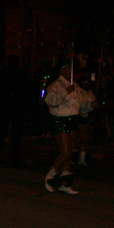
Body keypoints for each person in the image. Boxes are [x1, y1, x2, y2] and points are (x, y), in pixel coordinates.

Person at [44, 62, 93, 194]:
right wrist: (65, 93)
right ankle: (50, 176)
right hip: (60, 119)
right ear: (62, 70)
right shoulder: (55, 85)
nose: (72, 71)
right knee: (65, 152)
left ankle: (65, 182)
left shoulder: (75, 86)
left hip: (72, 120)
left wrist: (90, 105)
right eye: (69, 68)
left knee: (69, 153)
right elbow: (50, 102)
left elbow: (81, 105)